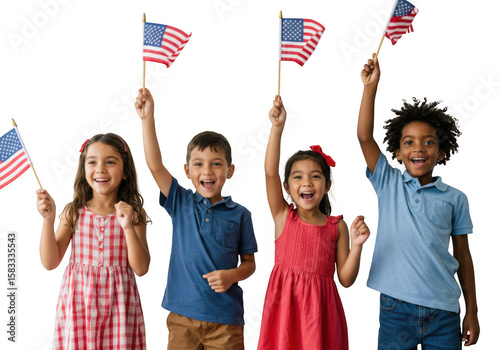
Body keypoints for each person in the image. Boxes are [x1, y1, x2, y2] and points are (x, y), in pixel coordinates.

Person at [358, 54, 480, 348]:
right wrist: (370, 88)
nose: (419, 148)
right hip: (395, 309)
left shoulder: (455, 199)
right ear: (397, 152)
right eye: (409, 142)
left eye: (429, 141)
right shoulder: (389, 183)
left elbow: (463, 256)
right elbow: (364, 137)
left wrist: (472, 311)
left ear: (441, 151)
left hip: (444, 312)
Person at [135, 88, 258, 349]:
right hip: (182, 318)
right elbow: (155, 165)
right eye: (199, 164)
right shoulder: (181, 202)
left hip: (226, 321)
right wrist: (148, 119)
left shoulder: (241, 214)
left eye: (216, 163)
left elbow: (249, 264)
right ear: (187, 171)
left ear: (230, 170)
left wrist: (231, 276)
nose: (207, 170)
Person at [257, 96, 370, 350]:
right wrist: (277, 129)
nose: (307, 183)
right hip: (284, 314)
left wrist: (358, 247)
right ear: (287, 186)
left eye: (315, 177)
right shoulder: (283, 216)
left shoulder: (336, 226)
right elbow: (270, 172)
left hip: (321, 316)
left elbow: (346, 278)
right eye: (298, 177)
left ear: (327, 185)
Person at [37, 133, 150, 349]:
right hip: (79, 305)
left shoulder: (133, 214)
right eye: (92, 162)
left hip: (119, 309)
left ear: (125, 171)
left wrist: (127, 226)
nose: (100, 169)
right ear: (84, 170)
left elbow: (141, 268)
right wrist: (48, 221)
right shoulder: (74, 212)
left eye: (110, 161)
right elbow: (50, 262)